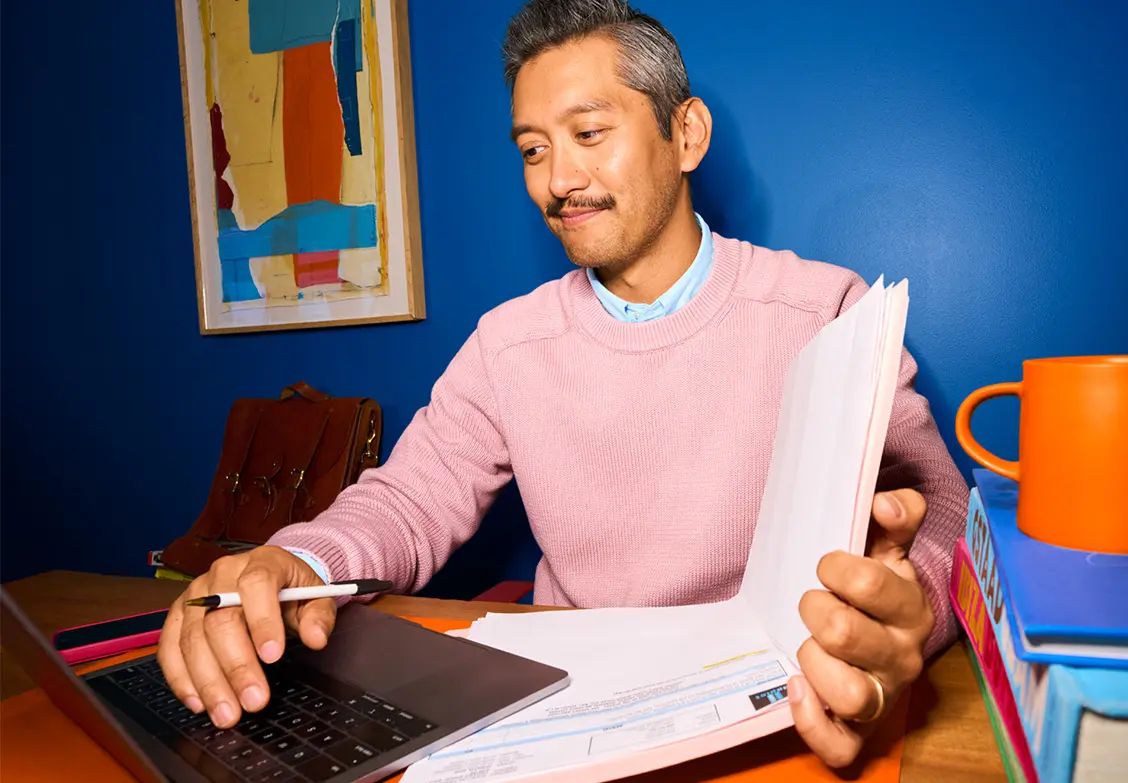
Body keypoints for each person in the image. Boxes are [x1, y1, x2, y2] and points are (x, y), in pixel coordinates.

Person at [158, 0, 968, 768]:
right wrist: (296, 559)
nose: (558, 181)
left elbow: (945, 514)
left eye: (588, 133)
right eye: (534, 149)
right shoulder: (510, 343)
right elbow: (406, 500)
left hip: (777, 714)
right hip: (573, 719)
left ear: (686, 134)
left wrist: (908, 612)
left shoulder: (823, 308)